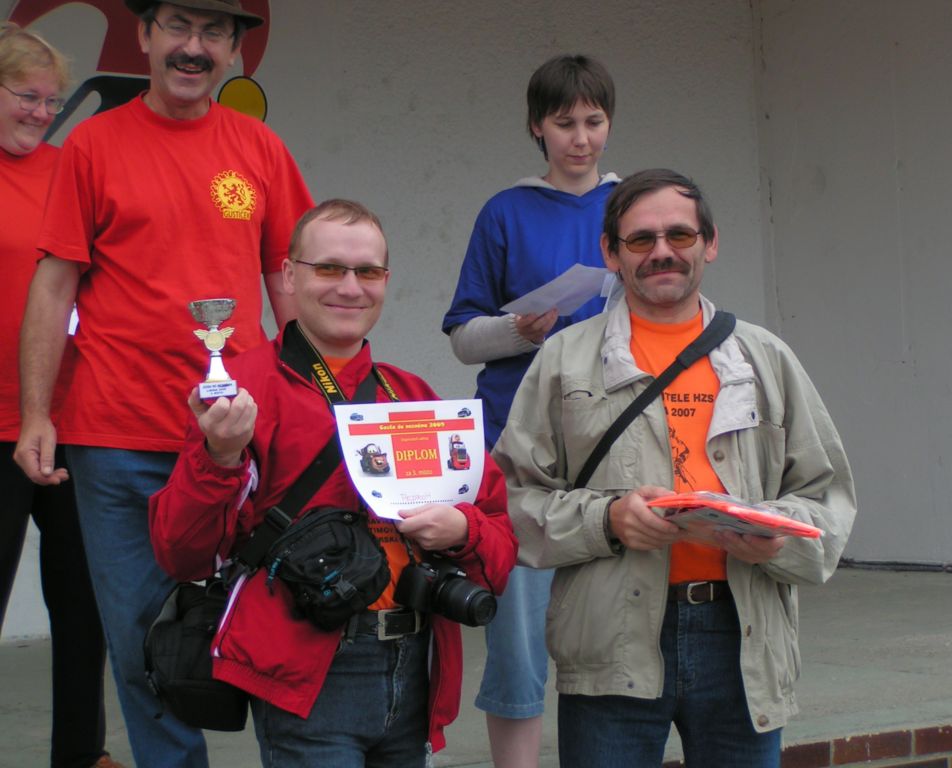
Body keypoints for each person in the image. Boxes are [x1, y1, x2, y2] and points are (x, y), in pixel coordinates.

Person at [12, 2, 313, 766]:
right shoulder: (93, 145)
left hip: (237, 438)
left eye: (214, 33)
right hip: (115, 439)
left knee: (274, 628)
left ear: (234, 50)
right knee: (143, 646)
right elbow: (54, 283)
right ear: (144, 35)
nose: (193, 47)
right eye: (178, 26)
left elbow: (290, 283)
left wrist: (314, 401)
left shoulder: (260, 147)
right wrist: (38, 413)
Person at [492, 168, 857, 768]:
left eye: (680, 235)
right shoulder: (564, 359)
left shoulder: (765, 357)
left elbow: (827, 494)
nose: (662, 251)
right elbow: (509, 501)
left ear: (709, 244)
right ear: (611, 252)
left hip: (741, 639)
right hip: (609, 638)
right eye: (641, 239)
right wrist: (608, 520)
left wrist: (778, 535)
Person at [149, 199, 518, 767]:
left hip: (415, 667)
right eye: (329, 268)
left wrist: (463, 530)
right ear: (288, 275)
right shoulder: (242, 390)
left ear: (385, 282)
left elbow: (500, 547)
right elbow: (183, 554)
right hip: (309, 674)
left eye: (367, 271)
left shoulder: (412, 397)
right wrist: (218, 458)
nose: (350, 287)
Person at [441, 53, 618, 768]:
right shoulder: (505, 211)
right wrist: (520, 330)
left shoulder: (634, 206)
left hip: (610, 441)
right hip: (516, 444)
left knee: (612, 634)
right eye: (564, 122)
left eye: (594, 121)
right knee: (517, 635)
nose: (581, 138)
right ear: (536, 127)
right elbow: (462, 337)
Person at [0, 24, 122, 768]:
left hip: (71, 418)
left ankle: (81, 753)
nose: (43, 112)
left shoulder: (66, 171)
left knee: (84, 602)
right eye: (27, 96)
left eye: (52, 100)